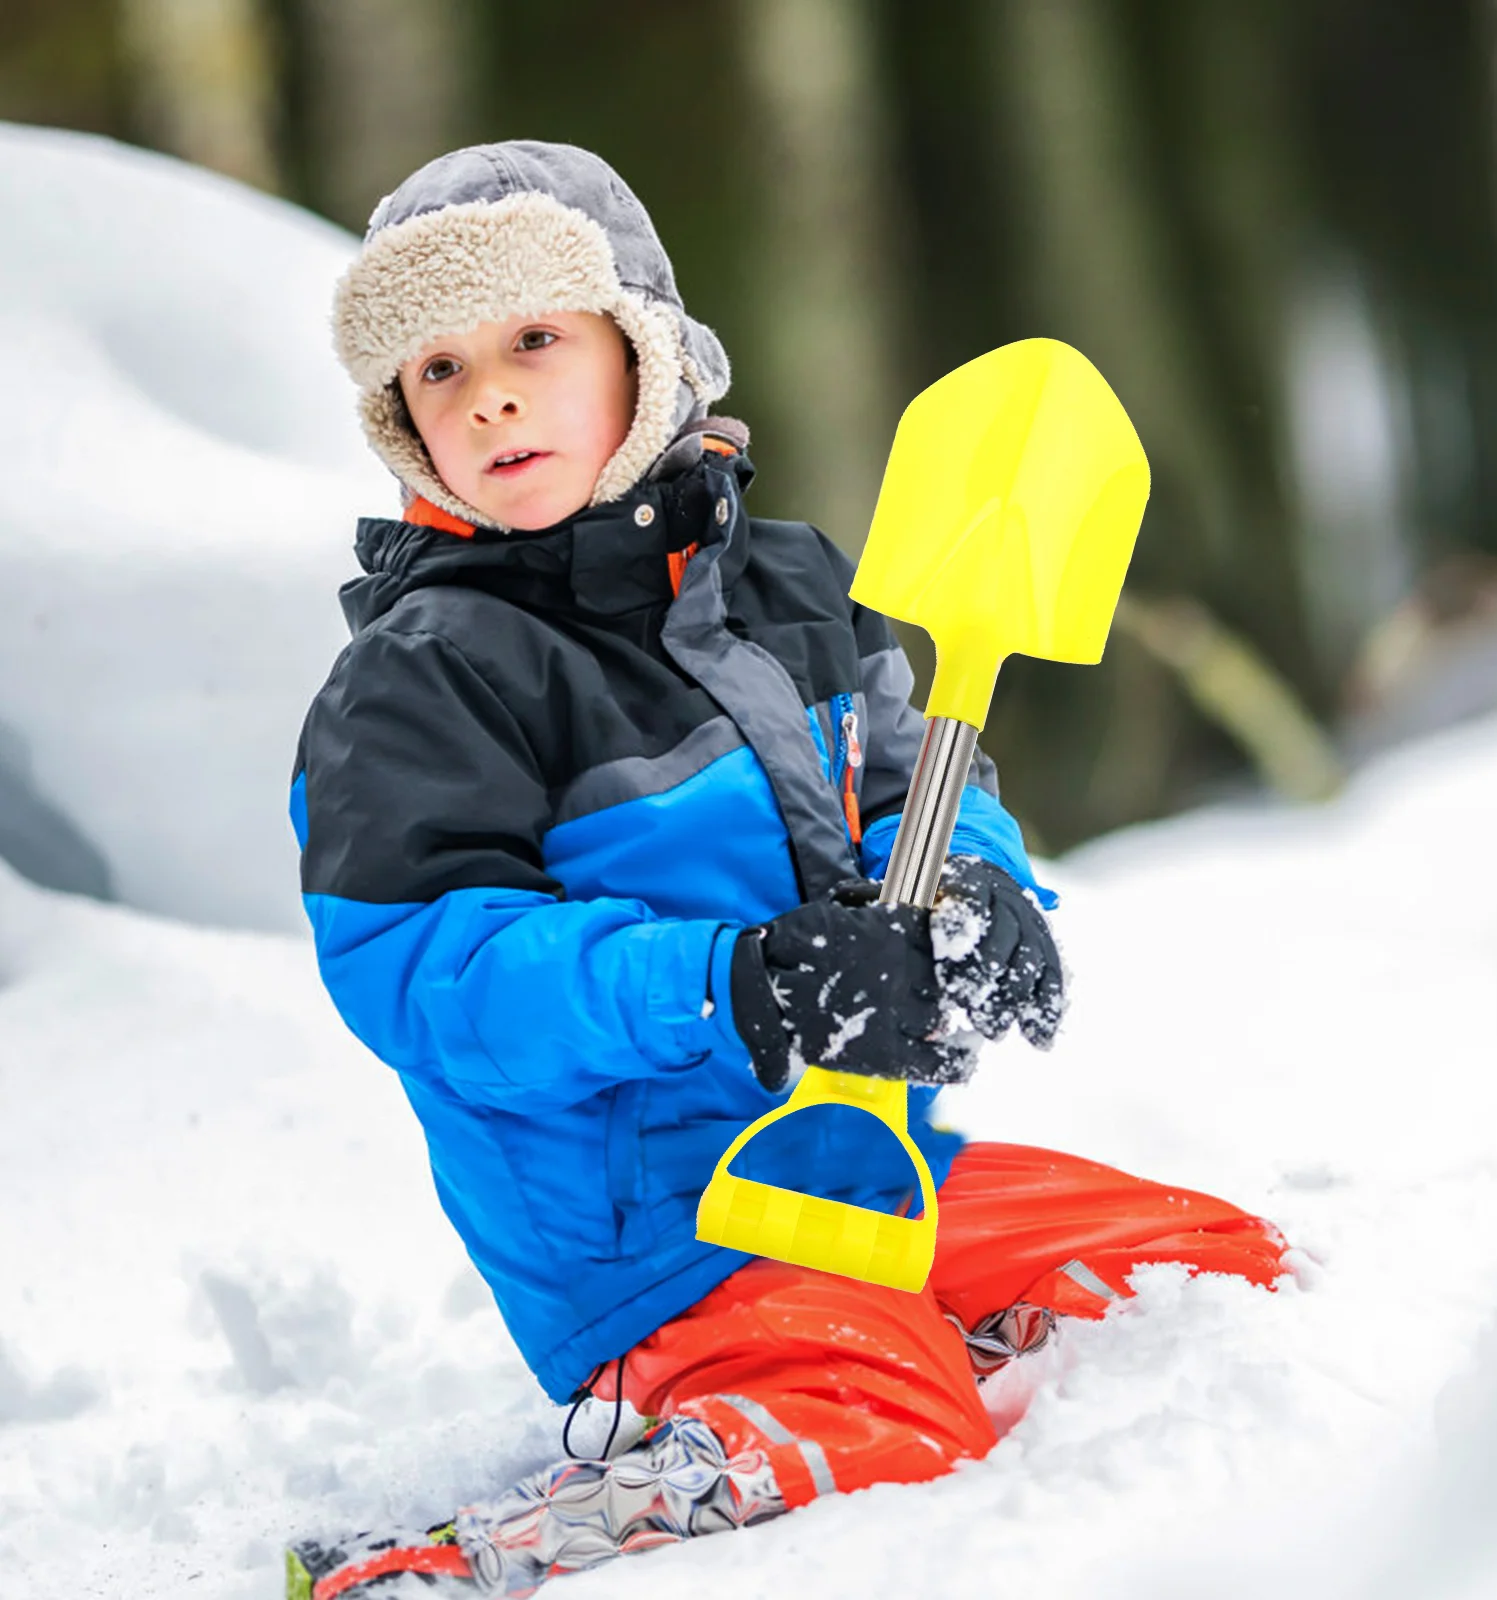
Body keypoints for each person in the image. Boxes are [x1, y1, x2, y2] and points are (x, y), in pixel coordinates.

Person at [289, 140, 1285, 1597]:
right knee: (901, 1418)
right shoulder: (423, 681)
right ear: (401, 424)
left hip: (873, 1168)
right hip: (660, 1244)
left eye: (535, 339)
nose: (488, 391)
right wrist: (732, 988)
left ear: (649, 352)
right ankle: (469, 1557)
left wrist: (979, 892)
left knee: (1210, 1275)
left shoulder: (798, 583)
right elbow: (433, 977)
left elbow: (919, 781)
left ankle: (899, 1341)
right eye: (437, 371)